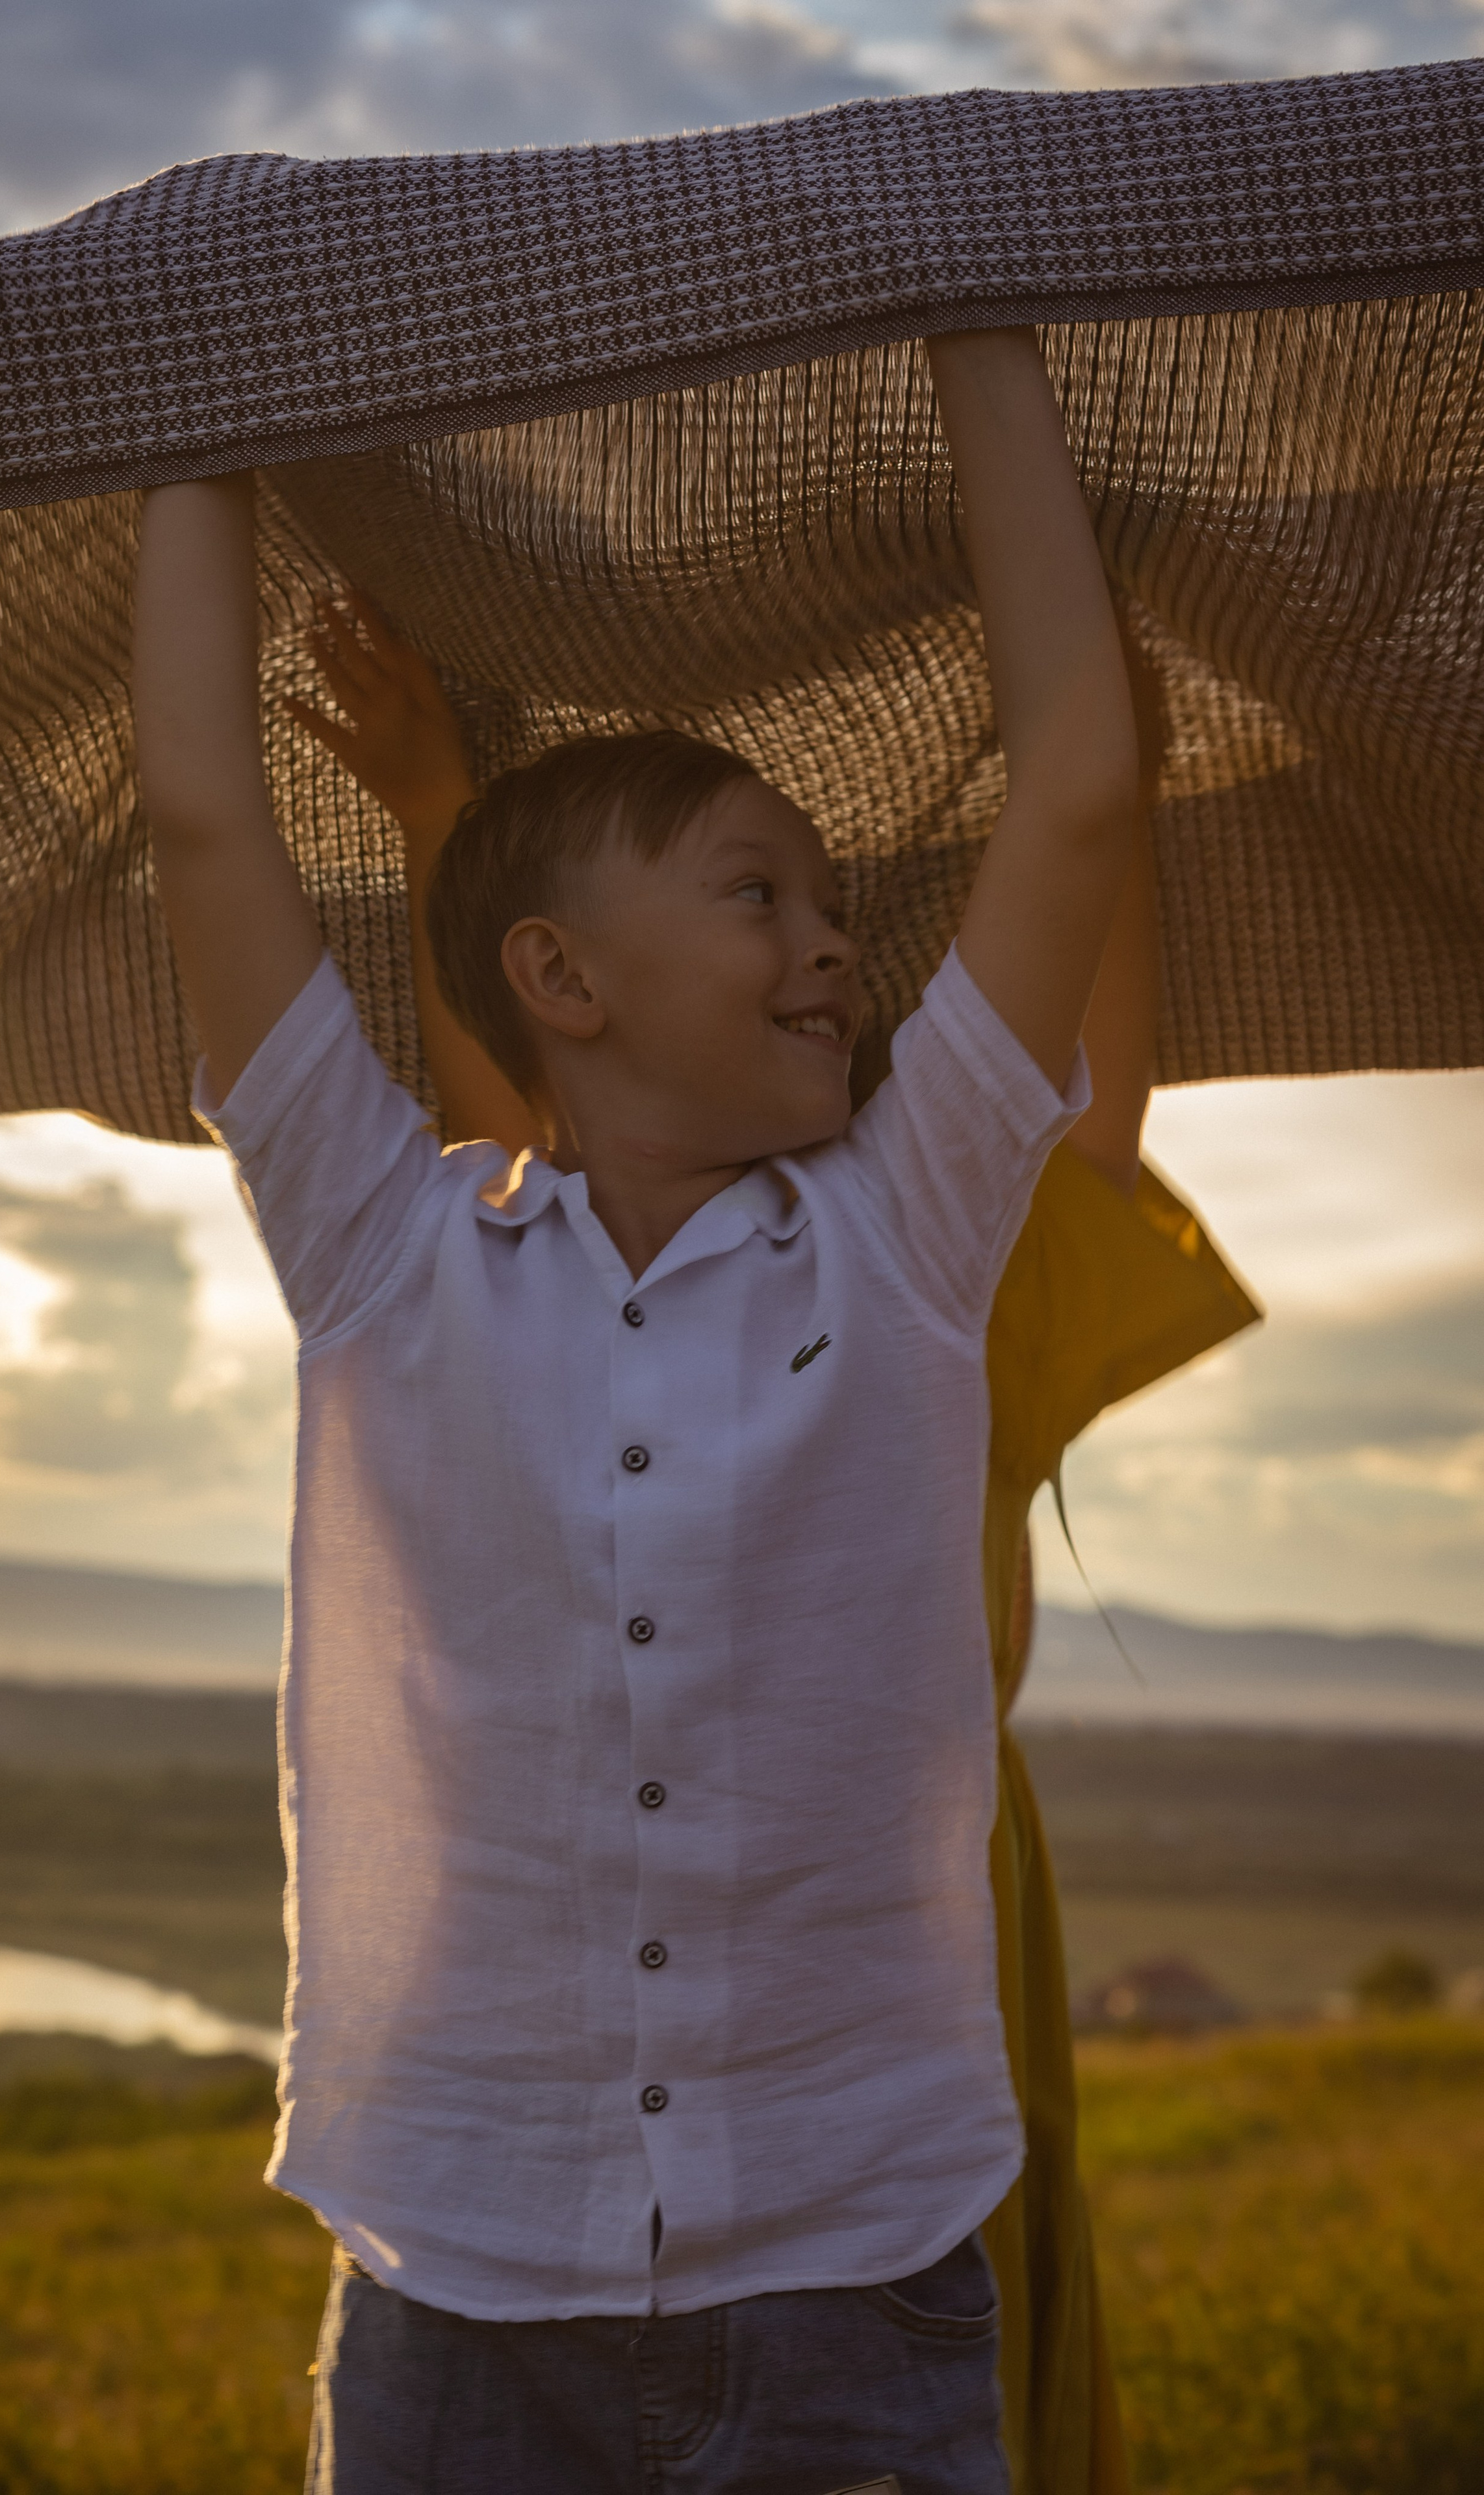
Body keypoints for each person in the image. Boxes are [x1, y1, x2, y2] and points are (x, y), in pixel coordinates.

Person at [132, 327, 1142, 2494]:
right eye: (757, 892)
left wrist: (980, 310)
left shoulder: (906, 1237)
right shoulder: (387, 1254)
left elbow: (1077, 783)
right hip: (460, 2288)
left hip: (855, 2278)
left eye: (838, 909)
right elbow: (207, 815)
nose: (834, 946)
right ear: (559, 984)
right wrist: (182, 388)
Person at [288, 598, 1260, 2495]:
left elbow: (1092, 1083)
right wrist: (440, 817)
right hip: (617, 1949)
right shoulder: (574, 1275)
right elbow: (526, 1121)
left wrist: (1101, 776)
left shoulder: (931, 1267)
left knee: (941, 2314)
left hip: (883, 1926)